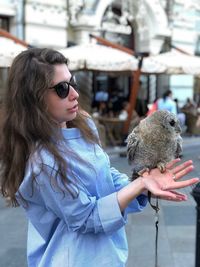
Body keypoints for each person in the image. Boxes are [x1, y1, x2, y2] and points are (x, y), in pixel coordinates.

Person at [0, 48, 199, 267]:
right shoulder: (42, 162)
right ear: (34, 99)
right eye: (62, 88)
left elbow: (104, 173)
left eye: (72, 82)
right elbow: (86, 217)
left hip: (108, 255)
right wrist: (140, 184)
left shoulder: (82, 123)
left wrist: (141, 185)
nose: (75, 93)